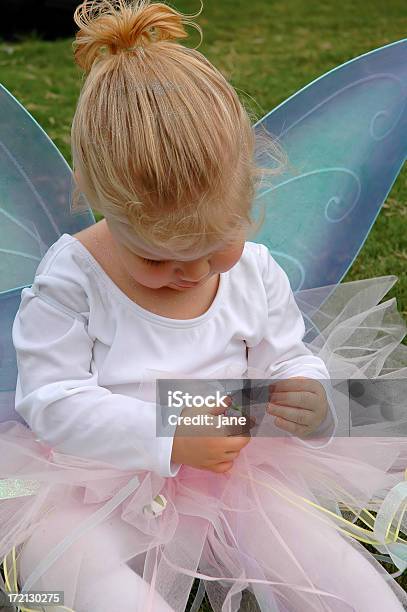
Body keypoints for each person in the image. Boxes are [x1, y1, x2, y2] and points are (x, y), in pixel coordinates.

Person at [0, 1, 406, 611]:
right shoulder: (73, 276)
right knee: (75, 568)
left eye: (216, 246)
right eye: (155, 259)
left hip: (232, 468)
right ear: (96, 199)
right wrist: (168, 436)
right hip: (91, 472)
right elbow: (50, 400)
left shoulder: (255, 269)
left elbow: (288, 355)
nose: (190, 272)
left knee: (331, 573)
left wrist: (308, 389)